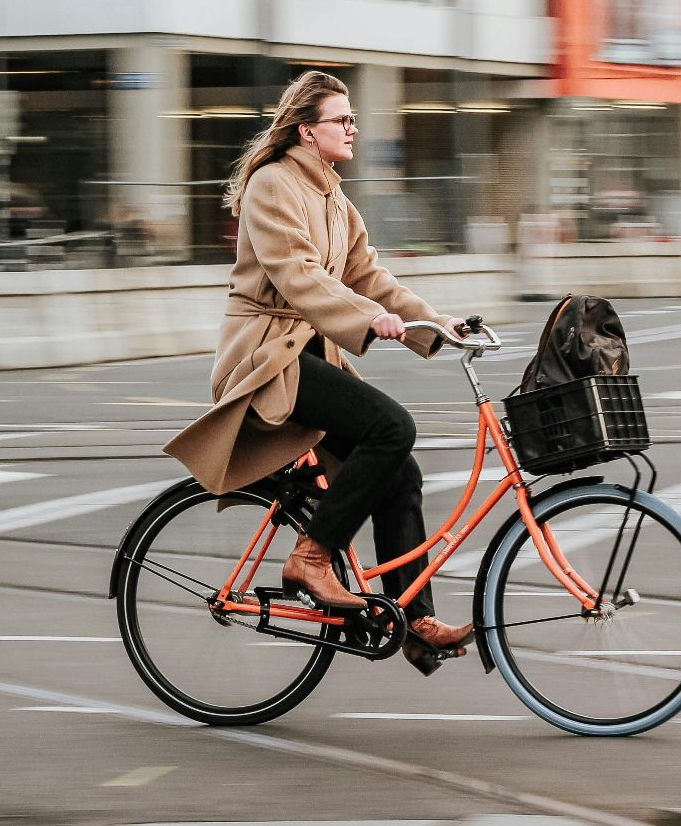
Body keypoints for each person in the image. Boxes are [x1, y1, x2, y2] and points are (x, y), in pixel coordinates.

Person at [163, 70, 474, 673]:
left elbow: (369, 277)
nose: (354, 128)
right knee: (393, 427)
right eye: (343, 119)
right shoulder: (272, 186)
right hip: (269, 354)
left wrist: (437, 324)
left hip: (309, 354)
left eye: (354, 118)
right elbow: (299, 277)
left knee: (400, 472)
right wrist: (368, 319)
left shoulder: (334, 197)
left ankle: (414, 619)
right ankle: (312, 558)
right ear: (307, 130)